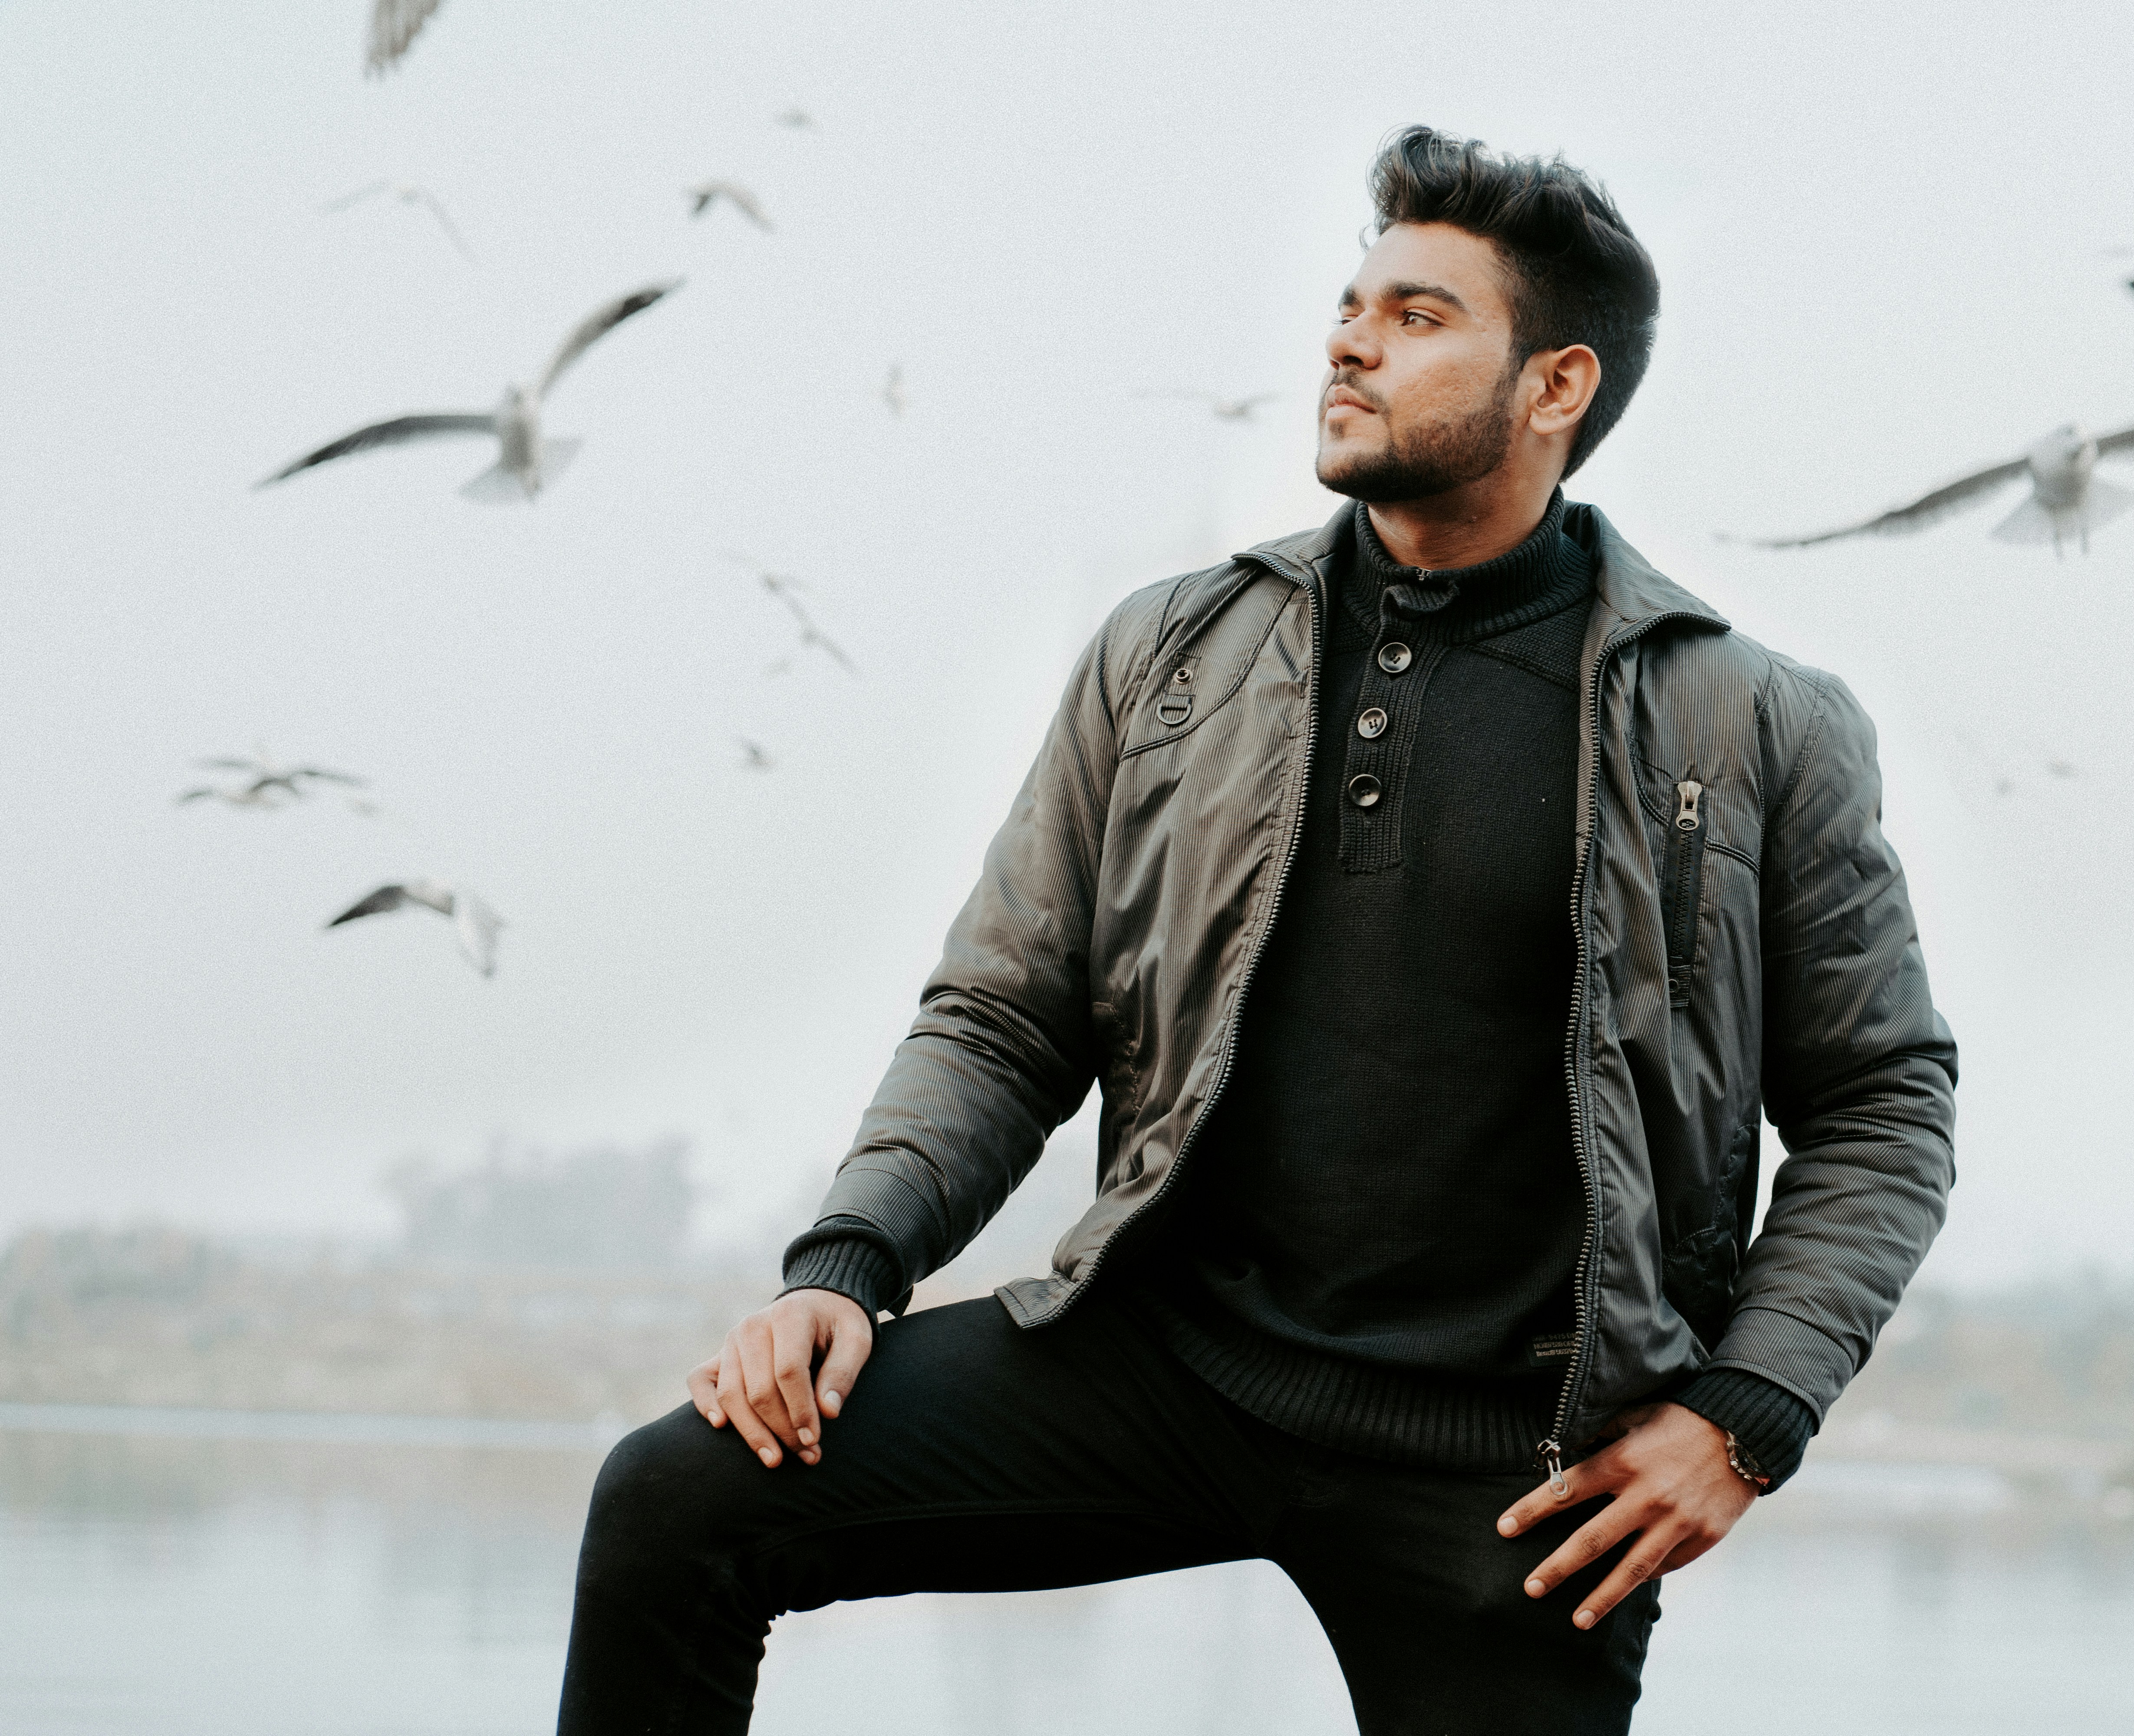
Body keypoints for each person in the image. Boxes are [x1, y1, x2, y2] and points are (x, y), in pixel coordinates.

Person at [556, 124, 1957, 1736]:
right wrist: (850, 1262)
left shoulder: (1751, 723)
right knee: (675, 1505)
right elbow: (1008, 1013)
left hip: (1505, 1474)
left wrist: (1747, 1412)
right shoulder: (1174, 653)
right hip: (1159, 1363)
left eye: (1419, 317)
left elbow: (1882, 1102)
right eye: (1352, 307)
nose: (1351, 343)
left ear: (1556, 387)